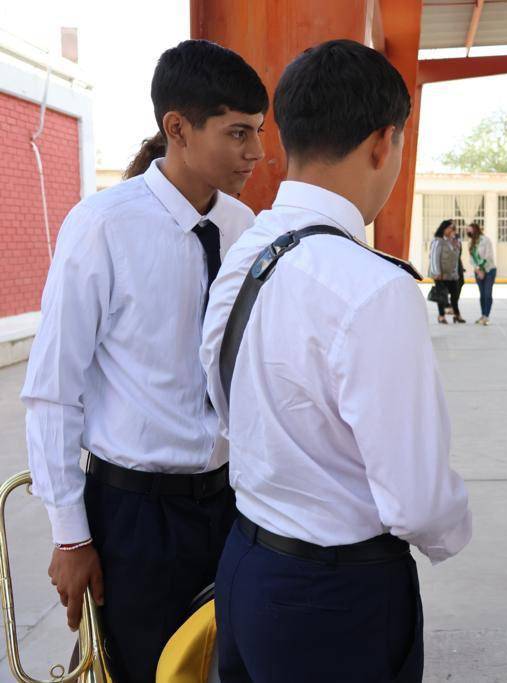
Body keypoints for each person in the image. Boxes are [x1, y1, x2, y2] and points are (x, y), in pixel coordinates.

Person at [200, 39, 471, 682]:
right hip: (335, 595)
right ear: (383, 143)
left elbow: (221, 397)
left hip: (246, 563)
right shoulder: (373, 286)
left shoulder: (247, 249)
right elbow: (418, 502)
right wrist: (451, 531)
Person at [20, 40, 268, 682]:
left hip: (231, 505)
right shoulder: (103, 226)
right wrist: (71, 536)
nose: (255, 152)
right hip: (135, 519)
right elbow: (53, 390)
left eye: (259, 132)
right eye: (237, 132)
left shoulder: (244, 227)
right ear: (177, 128)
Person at [429, 220, 462, 323]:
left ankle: (457, 315)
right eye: (451, 228)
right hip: (441, 274)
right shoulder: (437, 241)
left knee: (455, 295)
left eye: (453, 228)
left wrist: (456, 243)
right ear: (444, 228)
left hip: (452, 275)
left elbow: (456, 257)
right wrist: (437, 272)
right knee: (441, 295)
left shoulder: (453, 241)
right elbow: (434, 257)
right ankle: (441, 316)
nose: (453, 230)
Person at [468, 222, 497, 324]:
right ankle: (482, 315)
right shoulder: (471, 243)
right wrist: (477, 269)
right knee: (482, 294)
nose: (468, 232)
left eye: (470, 230)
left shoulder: (485, 240)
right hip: (478, 271)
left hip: (489, 270)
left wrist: (482, 269)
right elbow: (471, 259)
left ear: (475, 230)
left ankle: (486, 316)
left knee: (487, 294)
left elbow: (488, 256)